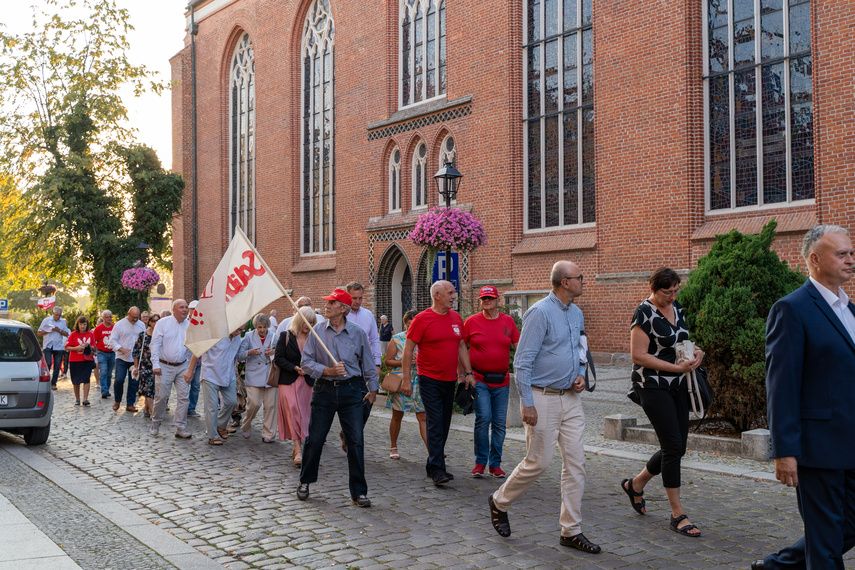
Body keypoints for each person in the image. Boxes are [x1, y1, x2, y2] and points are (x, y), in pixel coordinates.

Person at [753, 225, 855, 570]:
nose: (850, 260)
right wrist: (785, 451)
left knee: (844, 527)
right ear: (815, 259)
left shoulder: (850, 310)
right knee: (825, 543)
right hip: (818, 448)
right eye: (841, 254)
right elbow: (781, 385)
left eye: (851, 253)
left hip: (852, 442)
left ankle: (778, 566)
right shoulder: (791, 309)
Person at [488, 261, 601, 555]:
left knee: (577, 464)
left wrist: (579, 373)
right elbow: (522, 361)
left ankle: (571, 530)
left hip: (570, 398)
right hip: (542, 397)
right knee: (538, 462)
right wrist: (527, 402)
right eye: (579, 277)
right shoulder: (539, 312)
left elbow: (579, 348)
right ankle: (500, 501)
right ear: (565, 281)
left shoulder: (576, 312)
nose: (583, 281)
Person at [617, 267, 704, 538]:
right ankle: (678, 514)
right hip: (651, 385)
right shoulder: (643, 312)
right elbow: (638, 355)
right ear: (653, 288)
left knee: (678, 448)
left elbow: (681, 339)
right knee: (672, 446)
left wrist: (696, 351)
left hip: (678, 384)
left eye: (676, 291)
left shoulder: (676, 307)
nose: (672, 296)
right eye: (668, 292)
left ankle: (636, 484)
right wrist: (675, 369)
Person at [296, 289, 378, 507]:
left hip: (351, 392)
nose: (327, 305)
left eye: (332, 302)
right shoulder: (317, 331)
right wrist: (327, 370)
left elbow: (368, 363)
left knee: (356, 442)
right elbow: (306, 363)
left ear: (344, 308)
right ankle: (305, 481)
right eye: (328, 302)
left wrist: (373, 390)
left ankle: (359, 492)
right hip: (323, 391)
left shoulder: (358, 333)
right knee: (314, 440)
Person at [402, 280, 474, 486]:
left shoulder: (456, 318)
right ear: (437, 295)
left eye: (454, 292)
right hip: (429, 378)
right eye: (450, 293)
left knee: (444, 422)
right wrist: (406, 379)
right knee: (434, 420)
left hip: (449, 379)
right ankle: (437, 468)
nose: (454, 296)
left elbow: (461, 346)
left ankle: (432, 463)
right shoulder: (422, 319)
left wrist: (467, 373)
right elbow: (408, 350)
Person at [464, 285, 520, 478]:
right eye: (483, 299)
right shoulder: (471, 322)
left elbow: (518, 348)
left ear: (498, 301)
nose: (486, 301)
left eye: (490, 298)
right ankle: (480, 462)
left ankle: (495, 464)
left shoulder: (509, 322)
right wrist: (464, 373)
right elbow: (461, 348)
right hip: (479, 379)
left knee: (498, 423)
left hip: (502, 380)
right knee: (484, 418)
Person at [186, 325, 244, 445]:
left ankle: (220, 425)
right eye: (237, 329)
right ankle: (213, 436)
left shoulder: (237, 338)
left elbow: (235, 355)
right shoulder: (215, 333)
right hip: (210, 374)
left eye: (241, 330)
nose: (238, 332)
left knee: (232, 402)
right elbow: (198, 352)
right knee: (211, 407)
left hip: (228, 374)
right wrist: (190, 370)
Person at [274, 306, 317, 466]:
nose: (309, 324)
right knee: (292, 412)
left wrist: (310, 368)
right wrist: (294, 367)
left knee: (305, 415)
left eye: (312, 322)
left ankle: (300, 445)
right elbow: (278, 358)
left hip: (307, 383)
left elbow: (318, 359)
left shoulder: (314, 338)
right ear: (300, 319)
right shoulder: (286, 336)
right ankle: (298, 448)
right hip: (288, 381)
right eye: (307, 321)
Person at [384, 310, 427, 459]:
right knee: (397, 415)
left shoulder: (425, 338)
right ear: (405, 324)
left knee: (423, 416)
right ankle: (393, 447)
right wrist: (405, 361)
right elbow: (388, 361)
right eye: (409, 326)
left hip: (420, 382)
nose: (412, 329)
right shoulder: (397, 339)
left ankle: (432, 451)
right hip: (401, 381)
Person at [149, 299, 192, 439]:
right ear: (174, 309)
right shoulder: (163, 323)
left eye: (186, 307)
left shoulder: (190, 325)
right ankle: (156, 423)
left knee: (184, 397)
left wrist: (191, 367)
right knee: (161, 397)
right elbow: (154, 345)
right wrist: (155, 365)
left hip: (182, 366)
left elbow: (192, 347)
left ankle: (180, 427)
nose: (185, 310)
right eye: (182, 307)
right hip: (164, 365)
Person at [237, 314, 278, 442]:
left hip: (270, 375)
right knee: (254, 404)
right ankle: (246, 425)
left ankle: (268, 433)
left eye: (264, 327)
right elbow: (239, 356)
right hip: (254, 375)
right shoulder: (248, 336)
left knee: (271, 405)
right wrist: (250, 352)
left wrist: (273, 353)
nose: (262, 330)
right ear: (255, 326)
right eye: (259, 327)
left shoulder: (274, 336)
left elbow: (281, 355)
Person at [110, 306, 144, 412]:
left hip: (136, 359)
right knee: (119, 380)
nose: (135, 319)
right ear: (128, 314)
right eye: (133, 317)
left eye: (137, 317)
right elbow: (112, 341)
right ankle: (117, 400)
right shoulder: (119, 325)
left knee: (133, 382)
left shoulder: (141, 325)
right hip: (122, 357)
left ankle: (130, 404)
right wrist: (121, 348)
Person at [133, 313, 160, 418]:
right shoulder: (143, 335)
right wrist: (136, 367)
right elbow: (136, 352)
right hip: (145, 366)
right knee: (148, 389)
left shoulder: (161, 335)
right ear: (149, 322)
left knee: (155, 390)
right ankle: (153, 413)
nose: (155, 322)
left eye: (158, 320)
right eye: (153, 320)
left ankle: (146, 408)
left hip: (158, 365)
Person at [64, 316, 96, 405]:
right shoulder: (74, 334)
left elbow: (94, 347)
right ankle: (77, 399)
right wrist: (76, 348)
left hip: (87, 360)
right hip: (75, 360)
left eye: (84, 324)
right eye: (81, 324)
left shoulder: (90, 334)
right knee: (76, 380)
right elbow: (66, 347)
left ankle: (85, 399)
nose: (82, 326)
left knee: (86, 379)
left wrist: (88, 345)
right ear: (78, 325)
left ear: (87, 325)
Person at [37, 306, 70, 390]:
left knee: (57, 365)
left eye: (59, 315)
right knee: (48, 363)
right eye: (56, 315)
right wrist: (48, 330)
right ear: (53, 313)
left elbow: (66, 334)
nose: (57, 317)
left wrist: (59, 330)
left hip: (58, 346)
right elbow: (39, 333)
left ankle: (53, 383)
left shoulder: (62, 322)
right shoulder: (46, 320)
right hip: (48, 345)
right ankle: (46, 381)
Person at [92, 310, 115, 399]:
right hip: (102, 353)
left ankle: (107, 389)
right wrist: (95, 349)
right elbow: (94, 341)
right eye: (107, 317)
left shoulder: (114, 327)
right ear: (103, 318)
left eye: (110, 317)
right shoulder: (99, 328)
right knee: (104, 371)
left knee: (109, 373)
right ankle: (104, 391)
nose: (109, 319)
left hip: (112, 353)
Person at [186, 300, 202, 418]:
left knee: (196, 384)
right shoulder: (185, 323)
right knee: (185, 384)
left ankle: (191, 408)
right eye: (193, 309)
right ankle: (183, 407)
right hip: (187, 359)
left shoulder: (203, 322)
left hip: (200, 359)